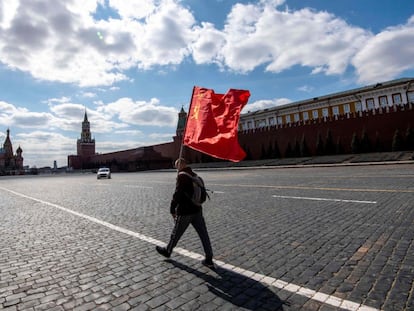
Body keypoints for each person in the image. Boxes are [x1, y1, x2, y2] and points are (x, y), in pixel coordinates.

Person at [156, 158, 214, 268]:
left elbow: (177, 194)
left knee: (176, 234)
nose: (176, 168)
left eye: (176, 166)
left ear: (180, 165)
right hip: (197, 210)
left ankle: (167, 251)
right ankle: (209, 258)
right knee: (203, 234)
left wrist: (172, 209)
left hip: (185, 212)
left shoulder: (182, 176)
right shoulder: (195, 175)